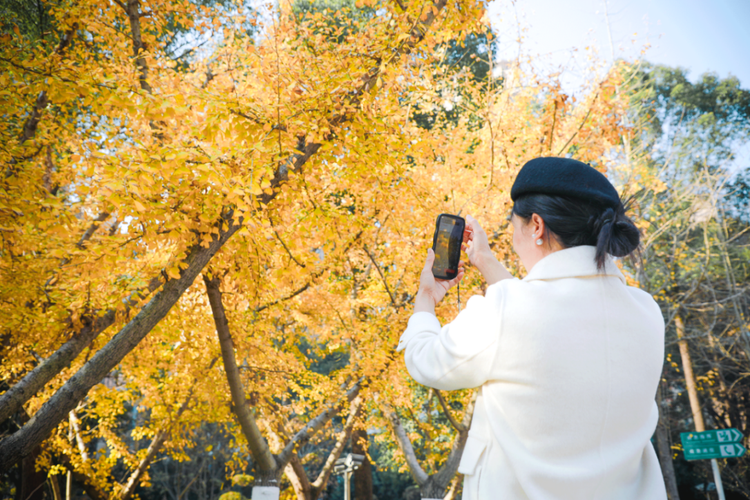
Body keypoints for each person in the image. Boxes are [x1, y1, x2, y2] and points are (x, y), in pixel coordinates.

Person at [396, 157, 667, 500]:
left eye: (513, 228)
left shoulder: (507, 310)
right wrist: (487, 263)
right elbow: (547, 316)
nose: (512, 241)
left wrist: (425, 298)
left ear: (536, 225)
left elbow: (427, 360)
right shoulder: (646, 312)